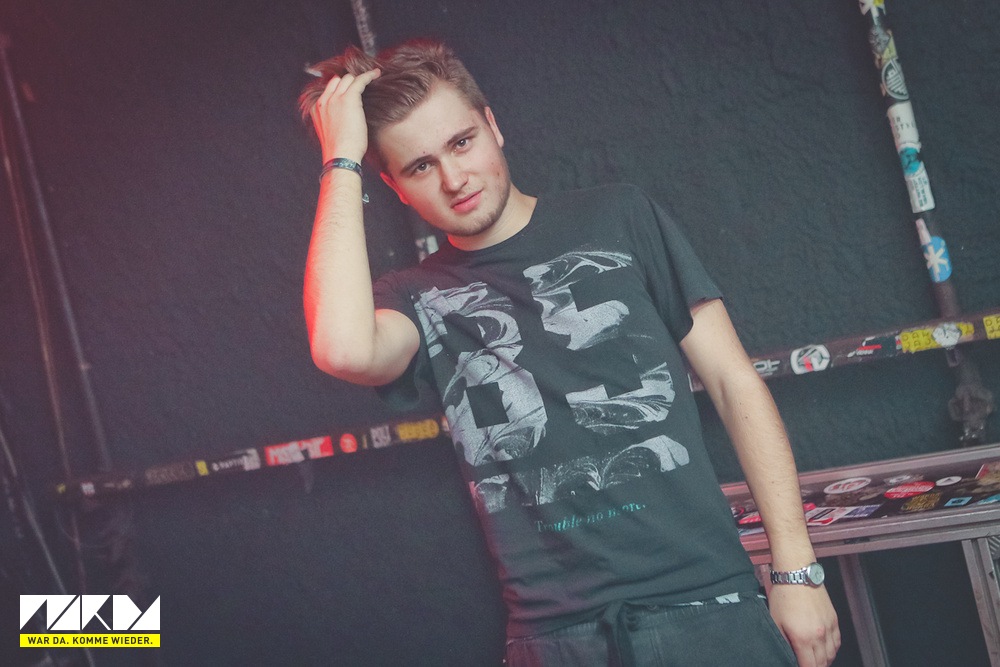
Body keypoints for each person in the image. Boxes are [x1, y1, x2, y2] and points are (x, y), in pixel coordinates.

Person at [299, 39, 840, 667]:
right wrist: (340, 161)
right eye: (420, 166)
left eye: (462, 142)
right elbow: (341, 349)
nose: (453, 179)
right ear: (393, 186)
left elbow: (732, 381)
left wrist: (796, 570)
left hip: (706, 604)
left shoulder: (619, 217)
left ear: (493, 125)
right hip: (554, 636)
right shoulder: (414, 298)